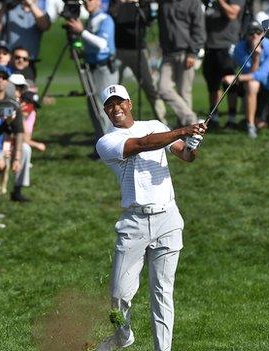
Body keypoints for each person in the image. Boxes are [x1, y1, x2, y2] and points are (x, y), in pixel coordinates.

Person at [95, 84, 206, 351]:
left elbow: (185, 155)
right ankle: (122, 336)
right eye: (110, 105)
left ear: (130, 103)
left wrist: (192, 143)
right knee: (119, 295)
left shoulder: (155, 124)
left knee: (162, 293)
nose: (116, 108)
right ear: (105, 111)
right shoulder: (106, 141)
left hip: (167, 219)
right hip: (133, 223)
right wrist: (182, 130)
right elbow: (141, 145)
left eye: (119, 102)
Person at [64, 0, 117, 147]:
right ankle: (101, 144)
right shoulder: (90, 20)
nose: (87, 2)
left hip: (103, 69)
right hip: (91, 68)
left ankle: (109, 147)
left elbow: (102, 44)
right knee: (94, 108)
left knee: (104, 109)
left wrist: (82, 32)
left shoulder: (105, 19)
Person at [110, 0, 166, 123]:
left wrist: (137, 4)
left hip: (138, 50)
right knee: (114, 88)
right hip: (119, 50)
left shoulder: (143, 3)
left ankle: (162, 121)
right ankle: (114, 124)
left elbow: (149, 20)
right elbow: (113, 14)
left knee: (149, 86)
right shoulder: (116, 3)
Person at [224, 21, 269, 138]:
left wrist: (236, 78)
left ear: (263, 33)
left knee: (262, 124)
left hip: (268, 87)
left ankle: (251, 120)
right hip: (249, 86)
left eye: (258, 32)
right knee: (252, 84)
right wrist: (256, 56)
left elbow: (262, 75)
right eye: (251, 32)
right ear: (246, 35)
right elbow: (252, 74)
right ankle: (249, 124)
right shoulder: (239, 48)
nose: (255, 35)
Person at [157, 0, 205, 127]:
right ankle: (191, 119)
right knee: (163, 88)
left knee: (184, 92)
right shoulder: (164, 3)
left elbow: (199, 30)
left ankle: (185, 130)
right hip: (168, 54)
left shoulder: (194, 3)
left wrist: (193, 53)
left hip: (186, 53)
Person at [203, 0, 246, 128]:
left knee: (230, 83)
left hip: (228, 46)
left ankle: (231, 118)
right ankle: (214, 116)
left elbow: (232, 14)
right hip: (210, 46)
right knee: (212, 84)